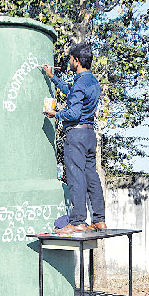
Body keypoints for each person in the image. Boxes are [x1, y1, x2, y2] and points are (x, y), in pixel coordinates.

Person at [42, 42, 106, 234]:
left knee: (76, 177)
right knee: (91, 176)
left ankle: (78, 220)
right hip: (89, 134)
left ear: (76, 61)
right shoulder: (92, 81)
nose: (69, 62)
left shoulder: (80, 82)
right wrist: (53, 78)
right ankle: (99, 220)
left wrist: (56, 114)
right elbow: (72, 92)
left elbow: (73, 113)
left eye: (70, 59)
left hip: (76, 134)